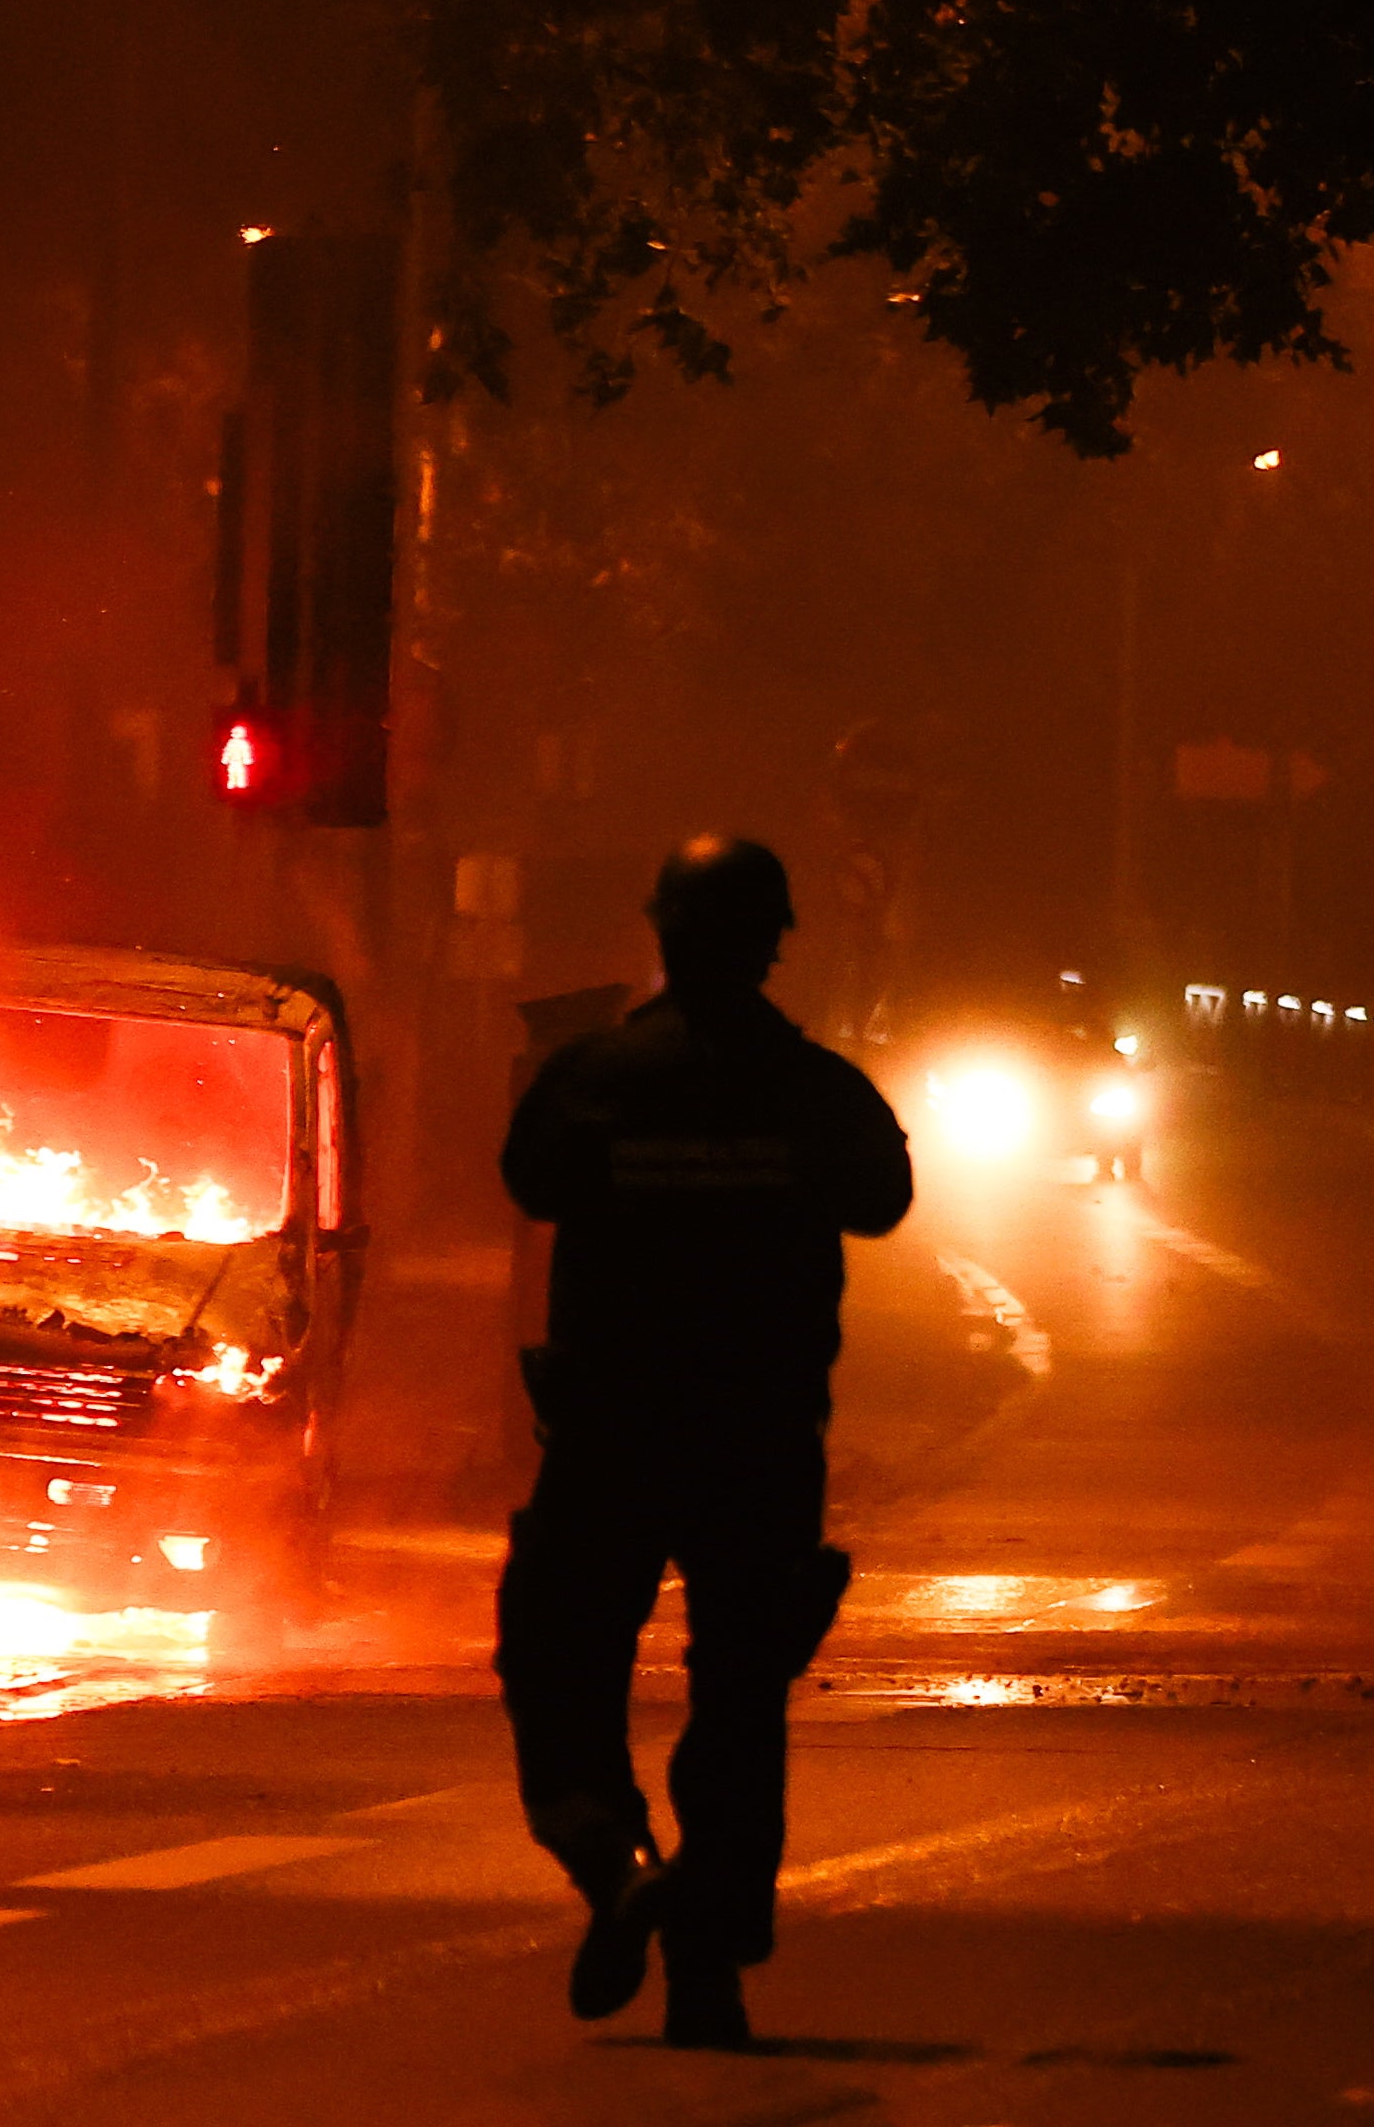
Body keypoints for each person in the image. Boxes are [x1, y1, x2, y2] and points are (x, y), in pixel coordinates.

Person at [493, 837, 912, 2050]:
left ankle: (617, 1868)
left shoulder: (592, 1075)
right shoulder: (815, 1088)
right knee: (736, 1708)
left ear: (660, 934)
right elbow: (880, 1201)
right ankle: (706, 1969)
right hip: (757, 1443)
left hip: (610, 1437)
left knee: (559, 1673)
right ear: (772, 939)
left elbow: (528, 1181)